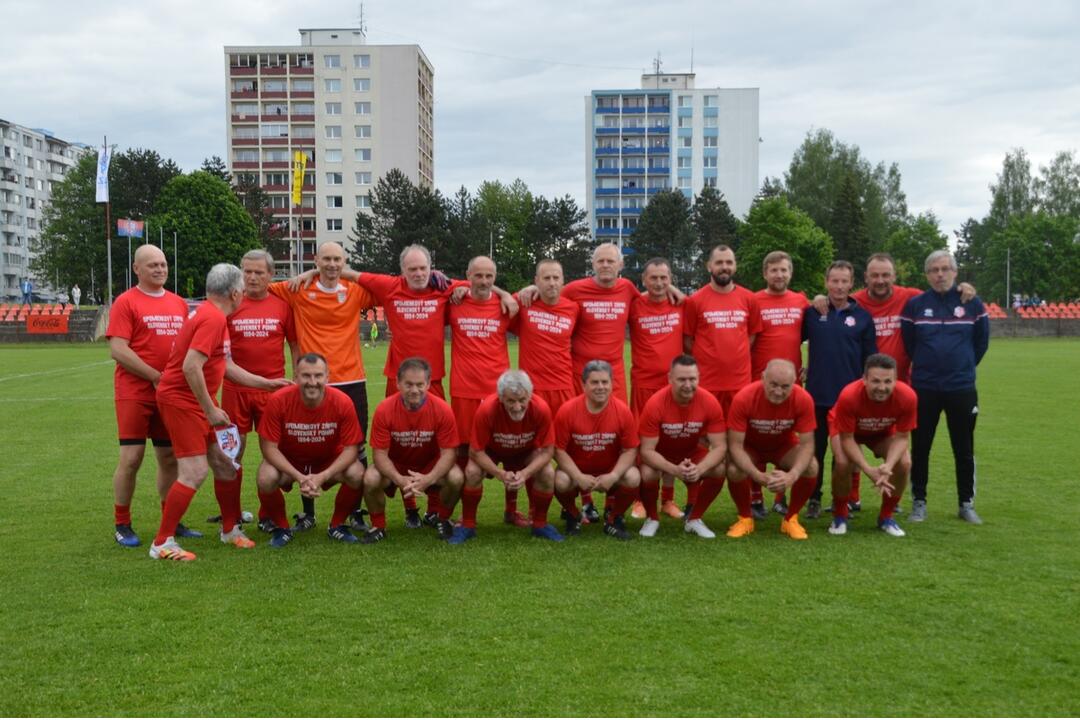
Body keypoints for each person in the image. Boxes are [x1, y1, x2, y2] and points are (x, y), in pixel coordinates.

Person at [334, 244, 514, 527]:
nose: (418, 274)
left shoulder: (443, 287)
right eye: (412, 269)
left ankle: (433, 509)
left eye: (423, 268)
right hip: (397, 379)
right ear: (402, 270)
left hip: (434, 382)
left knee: (433, 445)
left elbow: (481, 281)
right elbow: (346, 272)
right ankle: (410, 508)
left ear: (431, 268)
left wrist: (505, 294)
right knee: (398, 444)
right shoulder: (388, 285)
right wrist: (310, 272)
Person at [149, 264, 277, 560]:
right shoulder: (213, 319)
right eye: (243, 290)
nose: (245, 295)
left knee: (225, 464)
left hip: (193, 401)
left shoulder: (210, 315)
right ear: (234, 293)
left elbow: (225, 366)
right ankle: (162, 542)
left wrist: (266, 383)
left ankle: (230, 529)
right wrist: (210, 409)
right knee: (194, 472)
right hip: (184, 402)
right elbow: (190, 366)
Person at [271, 241, 374, 531]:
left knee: (357, 448)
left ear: (345, 261)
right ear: (316, 260)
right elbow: (260, 285)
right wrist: (305, 275)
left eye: (337, 259)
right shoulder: (298, 289)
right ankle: (308, 513)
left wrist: (346, 274)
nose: (332, 264)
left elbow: (387, 287)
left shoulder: (355, 291)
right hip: (312, 380)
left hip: (352, 379)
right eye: (326, 259)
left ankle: (354, 512)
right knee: (308, 444)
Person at [106, 244, 192, 547]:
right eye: (152, 265)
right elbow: (118, 348)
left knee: (169, 457)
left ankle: (171, 520)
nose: (159, 269)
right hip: (135, 392)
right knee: (132, 458)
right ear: (136, 268)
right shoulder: (126, 302)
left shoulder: (179, 303)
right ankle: (122, 522)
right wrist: (154, 376)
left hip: (168, 393)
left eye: (163, 264)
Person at [901, 250, 989, 524]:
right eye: (934, 270)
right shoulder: (916, 305)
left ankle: (966, 503)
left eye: (945, 269)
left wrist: (961, 367)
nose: (940, 274)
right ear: (927, 275)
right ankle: (919, 502)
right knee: (921, 447)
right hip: (924, 388)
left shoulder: (972, 304)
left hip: (961, 387)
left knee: (963, 447)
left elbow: (980, 344)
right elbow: (909, 345)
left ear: (955, 272)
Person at [217, 249, 298, 531]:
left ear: (270, 276)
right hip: (234, 391)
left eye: (258, 272)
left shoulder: (283, 306)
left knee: (274, 455)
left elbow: (296, 347)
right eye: (246, 271)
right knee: (230, 455)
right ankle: (231, 518)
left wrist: (297, 380)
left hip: (273, 393)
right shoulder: (229, 305)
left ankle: (269, 515)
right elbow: (220, 356)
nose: (251, 277)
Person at [683, 245, 762, 521]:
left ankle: (752, 501)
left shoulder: (749, 300)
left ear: (735, 266)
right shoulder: (695, 301)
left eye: (729, 262)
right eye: (719, 263)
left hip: (739, 386)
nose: (724, 267)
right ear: (709, 266)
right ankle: (693, 502)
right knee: (702, 444)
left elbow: (750, 338)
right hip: (706, 387)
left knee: (741, 444)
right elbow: (689, 341)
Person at [255, 353, 366, 547]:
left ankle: (337, 525)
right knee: (265, 476)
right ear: (296, 376)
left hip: (327, 461)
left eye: (318, 376)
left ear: (327, 377)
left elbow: (351, 449)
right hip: (291, 462)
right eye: (306, 376)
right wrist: (299, 476)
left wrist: (323, 475)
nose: (312, 382)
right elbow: (268, 448)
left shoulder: (343, 402)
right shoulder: (278, 400)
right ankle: (282, 528)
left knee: (357, 472)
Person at [801, 260, 877, 519]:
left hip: (848, 400)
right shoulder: (812, 313)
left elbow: (870, 360)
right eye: (834, 280)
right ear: (826, 282)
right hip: (817, 396)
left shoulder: (863, 318)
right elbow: (789, 340)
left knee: (843, 454)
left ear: (852, 284)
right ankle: (813, 498)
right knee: (815, 451)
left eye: (845, 281)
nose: (839, 286)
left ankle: (839, 501)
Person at [360, 357, 464, 543]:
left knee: (456, 477)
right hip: (395, 466)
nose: (414, 390)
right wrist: (399, 479)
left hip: (429, 466)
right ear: (398, 383)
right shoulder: (385, 409)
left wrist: (428, 478)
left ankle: (443, 519)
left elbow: (449, 453)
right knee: (370, 477)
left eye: (419, 384)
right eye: (408, 384)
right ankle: (378, 526)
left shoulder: (442, 409)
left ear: (428, 384)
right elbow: (379, 455)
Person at [447, 256, 518, 524]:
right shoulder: (454, 302)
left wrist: (505, 294)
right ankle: (466, 517)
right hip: (464, 389)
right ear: (468, 276)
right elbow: (433, 284)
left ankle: (511, 511)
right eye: (478, 276)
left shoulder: (505, 307)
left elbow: (536, 298)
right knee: (464, 452)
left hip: (498, 392)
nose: (484, 281)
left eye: (490, 276)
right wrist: (459, 288)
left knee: (511, 448)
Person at [458, 369, 562, 543]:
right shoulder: (487, 410)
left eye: (522, 400)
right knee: (472, 471)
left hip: (526, 451)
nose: (517, 406)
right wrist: (500, 474)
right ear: (500, 397)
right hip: (494, 451)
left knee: (547, 473)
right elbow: (475, 452)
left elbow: (548, 451)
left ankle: (540, 524)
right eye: (510, 401)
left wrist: (526, 473)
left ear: (529, 394)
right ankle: (468, 525)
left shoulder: (541, 408)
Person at [726, 360, 819, 540]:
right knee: (734, 468)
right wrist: (758, 476)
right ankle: (745, 518)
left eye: (785, 386)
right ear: (763, 378)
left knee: (811, 466)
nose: (778, 392)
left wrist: (792, 475)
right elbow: (735, 445)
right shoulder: (744, 397)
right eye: (773, 385)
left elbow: (807, 444)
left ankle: (791, 519)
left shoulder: (803, 398)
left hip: (783, 446)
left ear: (795, 383)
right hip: (750, 447)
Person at [827, 354, 917, 537]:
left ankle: (886, 517)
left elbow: (902, 437)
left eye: (887, 381)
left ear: (896, 380)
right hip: (848, 431)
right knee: (843, 463)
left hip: (882, 431)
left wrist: (887, 468)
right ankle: (840, 515)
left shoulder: (908, 396)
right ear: (864, 379)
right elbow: (847, 439)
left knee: (904, 463)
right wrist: (869, 470)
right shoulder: (849, 395)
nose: (882, 387)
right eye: (875, 381)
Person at [636, 355, 727, 538]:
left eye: (692, 379)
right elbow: (646, 451)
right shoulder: (655, 403)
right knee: (647, 473)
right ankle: (652, 518)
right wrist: (673, 469)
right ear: (670, 378)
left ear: (699, 378)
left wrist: (699, 468)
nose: (687, 384)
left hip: (692, 452)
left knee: (719, 469)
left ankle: (694, 518)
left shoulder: (709, 401)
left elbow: (720, 447)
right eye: (681, 379)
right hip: (661, 453)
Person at [552, 360, 641, 540]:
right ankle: (573, 514)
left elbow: (630, 450)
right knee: (560, 480)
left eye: (605, 382)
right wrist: (578, 476)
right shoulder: (567, 411)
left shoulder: (622, 411)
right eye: (594, 382)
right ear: (583, 385)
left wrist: (614, 476)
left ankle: (614, 518)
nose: (600, 387)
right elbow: (558, 450)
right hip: (578, 470)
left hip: (609, 471)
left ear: (611, 384)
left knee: (633, 476)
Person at [750, 250, 810, 517]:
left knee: (789, 438)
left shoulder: (801, 301)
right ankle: (754, 497)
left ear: (791, 272)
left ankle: (780, 496)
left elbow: (816, 335)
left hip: (792, 385)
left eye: (784, 270)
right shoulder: (753, 301)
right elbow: (747, 341)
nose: (779, 275)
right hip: (758, 382)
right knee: (756, 438)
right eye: (774, 270)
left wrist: (812, 366)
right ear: (765, 274)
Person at [628, 258, 686, 520]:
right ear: (644, 280)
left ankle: (668, 500)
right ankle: (640, 499)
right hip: (643, 384)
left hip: (672, 386)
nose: (659, 283)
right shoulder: (634, 304)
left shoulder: (682, 304)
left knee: (670, 441)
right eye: (654, 278)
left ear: (671, 278)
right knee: (642, 443)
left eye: (664, 277)